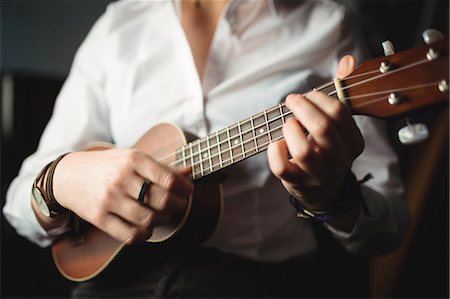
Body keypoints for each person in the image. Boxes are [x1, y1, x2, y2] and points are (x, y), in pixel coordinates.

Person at [4, 0, 409, 297]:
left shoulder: (328, 24)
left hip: (256, 284)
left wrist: (332, 197)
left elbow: (387, 226)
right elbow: (19, 200)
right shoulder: (119, 26)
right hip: (112, 283)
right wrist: (61, 179)